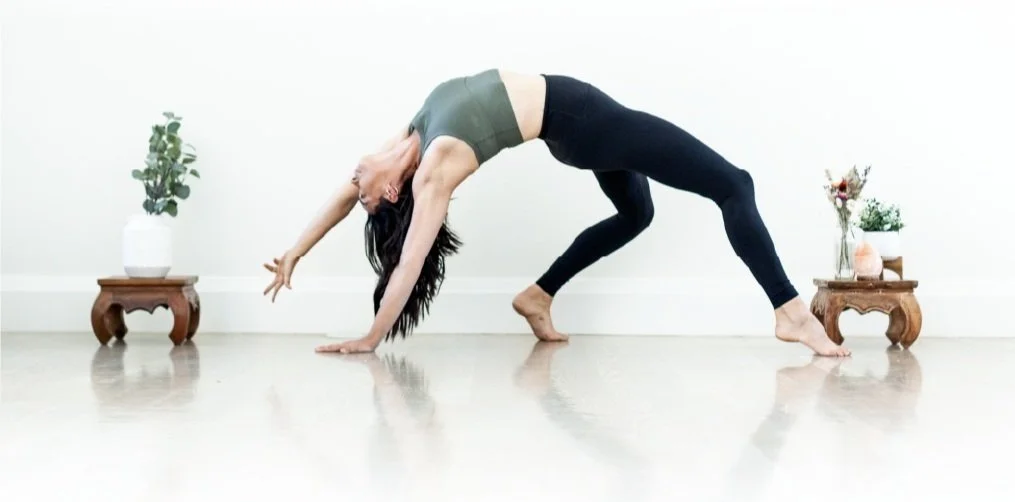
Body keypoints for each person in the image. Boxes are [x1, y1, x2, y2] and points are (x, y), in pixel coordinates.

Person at [263, 69, 849, 357]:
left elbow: (347, 199)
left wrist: (295, 251)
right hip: (589, 126)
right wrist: (371, 336)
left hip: (581, 127)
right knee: (734, 185)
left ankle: (539, 294)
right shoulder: (436, 163)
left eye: (355, 188)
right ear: (391, 194)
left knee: (636, 213)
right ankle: (790, 311)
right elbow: (411, 258)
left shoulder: (411, 135)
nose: (351, 182)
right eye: (362, 193)